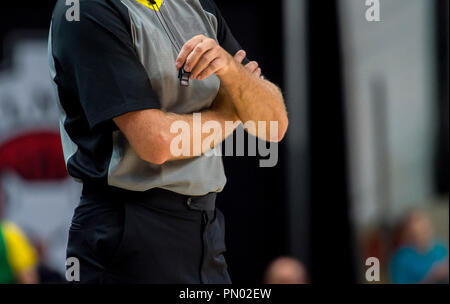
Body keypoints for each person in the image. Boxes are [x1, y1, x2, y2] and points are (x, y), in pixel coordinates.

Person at [48, 0, 288, 283]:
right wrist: (230, 111)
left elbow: (273, 124)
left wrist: (230, 70)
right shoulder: (86, 10)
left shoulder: (199, 5)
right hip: (128, 231)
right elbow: (157, 142)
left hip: (204, 228)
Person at [390, 211, 449, 284]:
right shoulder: (401, 259)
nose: (423, 237)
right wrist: (432, 277)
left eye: (425, 230)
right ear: (408, 235)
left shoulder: (441, 248)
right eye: (417, 234)